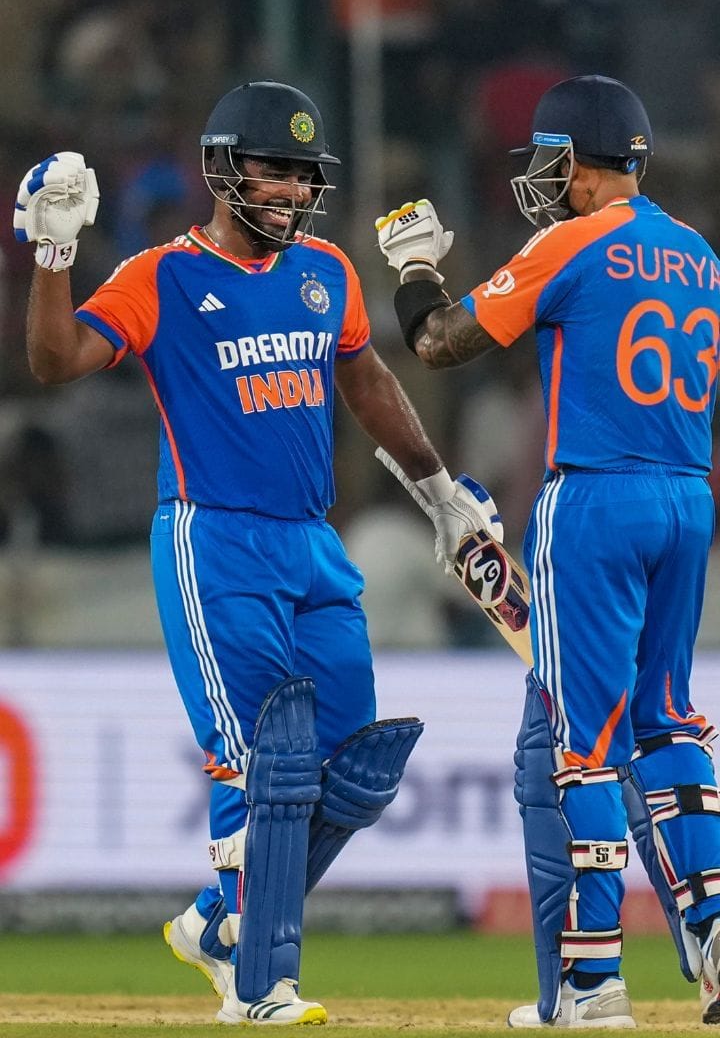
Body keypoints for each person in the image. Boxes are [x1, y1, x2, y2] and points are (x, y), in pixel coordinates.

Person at [14, 80, 501, 1026]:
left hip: (311, 541)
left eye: (305, 174)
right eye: (275, 169)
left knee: (355, 765)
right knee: (259, 763)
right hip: (215, 538)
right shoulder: (161, 276)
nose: (293, 190)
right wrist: (54, 253)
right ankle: (259, 986)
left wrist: (438, 492)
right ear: (221, 169)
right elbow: (55, 360)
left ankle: (216, 920)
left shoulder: (326, 269)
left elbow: (367, 381)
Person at [375, 74, 720, 1029]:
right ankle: (716, 933)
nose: (540, 175)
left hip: (596, 499)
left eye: (548, 158)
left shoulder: (569, 241)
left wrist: (414, 268)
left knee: (584, 744)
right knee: (669, 724)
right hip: (689, 498)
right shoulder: (700, 254)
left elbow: (440, 343)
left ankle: (592, 979)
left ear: (577, 159)